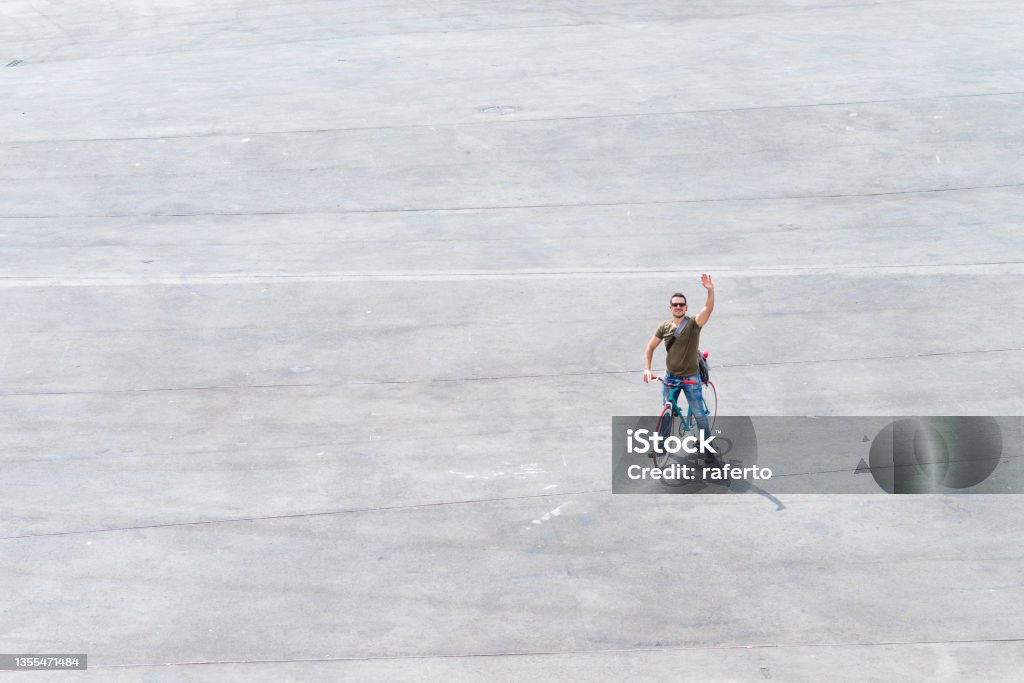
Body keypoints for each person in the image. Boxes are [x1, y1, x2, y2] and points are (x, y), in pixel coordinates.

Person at [642, 274, 716, 463]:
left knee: (699, 413)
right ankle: (661, 445)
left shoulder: (693, 325)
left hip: (691, 378)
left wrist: (710, 289)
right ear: (670, 307)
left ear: (686, 307)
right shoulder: (664, 327)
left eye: (681, 304)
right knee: (666, 411)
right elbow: (650, 347)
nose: (678, 307)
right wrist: (647, 369)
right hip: (671, 377)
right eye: (675, 304)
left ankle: (707, 447)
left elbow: (708, 309)